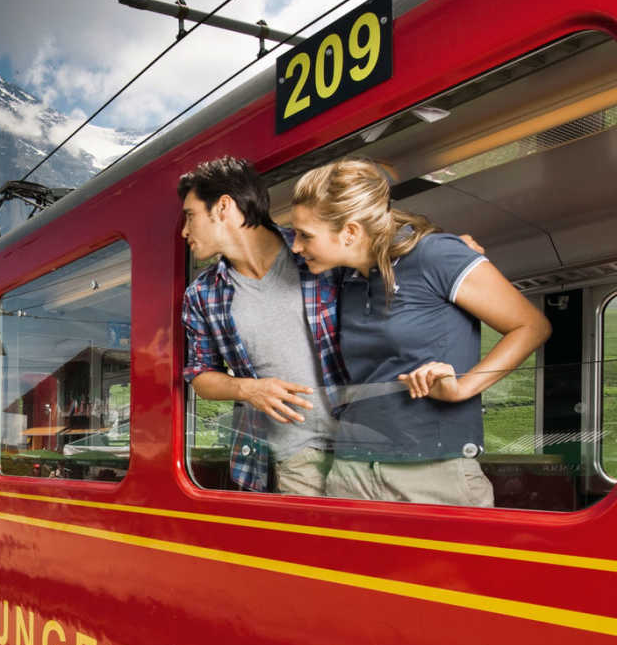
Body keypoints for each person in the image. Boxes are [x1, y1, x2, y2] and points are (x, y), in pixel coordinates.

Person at [289, 157, 551, 506]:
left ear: (350, 232)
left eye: (305, 236)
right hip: (351, 470)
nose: (296, 246)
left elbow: (531, 326)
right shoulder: (347, 278)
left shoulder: (437, 255)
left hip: (433, 471)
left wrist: (464, 387)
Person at [178, 156, 347, 494]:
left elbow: (387, 250)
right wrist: (247, 389)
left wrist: (449, 253)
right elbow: (200, 375)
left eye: (190, 216)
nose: (185, 231)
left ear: (223, 207)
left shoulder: (316, 252)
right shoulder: (202, 293)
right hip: (293, 458)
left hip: (361, 449)